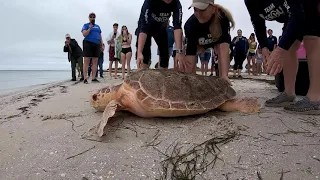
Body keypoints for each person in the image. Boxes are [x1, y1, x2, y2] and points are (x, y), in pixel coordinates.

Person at [245, 0, 320, 114]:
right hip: (291, 15)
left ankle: (315, 98)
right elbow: (257, 21)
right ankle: (289, 93)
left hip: (306, 4)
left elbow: (298, 13)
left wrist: (280, 49)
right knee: (288, 46)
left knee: (311, 38)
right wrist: (264, 47)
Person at [183, 0, 235, 85]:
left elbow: (224, 47)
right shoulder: (190, 25)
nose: (199, 14)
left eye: (202, 10)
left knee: (220, 49)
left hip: (216, 41)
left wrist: (225, 75)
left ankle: (222, 78)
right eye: (195, 10)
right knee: (188, 68)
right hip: (200, 45)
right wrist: (189, 78)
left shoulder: (222, 17)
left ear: (213, 9)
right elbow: (191, 53)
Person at [136, 0, 184, 69]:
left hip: (161, 27)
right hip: (146, 26)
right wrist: (139, 52)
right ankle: (143, 72)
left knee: (164, 55)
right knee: (144, 56)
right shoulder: (150, 1)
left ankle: (162, 76)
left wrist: (179, 51)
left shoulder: (176, 3)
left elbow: (177, 26)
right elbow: (144, 27)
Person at [81, 12, 103, 84]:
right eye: (91, 17)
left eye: (94, 17)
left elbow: (100, 36)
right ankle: (85, 78)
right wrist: (90, 28)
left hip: (96, 44)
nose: (92, 18)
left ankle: (93, 78)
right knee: (86, 61)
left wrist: (101, 44)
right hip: (88, 43)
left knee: (95, 61)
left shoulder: (98, 26)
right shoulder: (86, 25)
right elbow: (84, 34)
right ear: (89, 18)